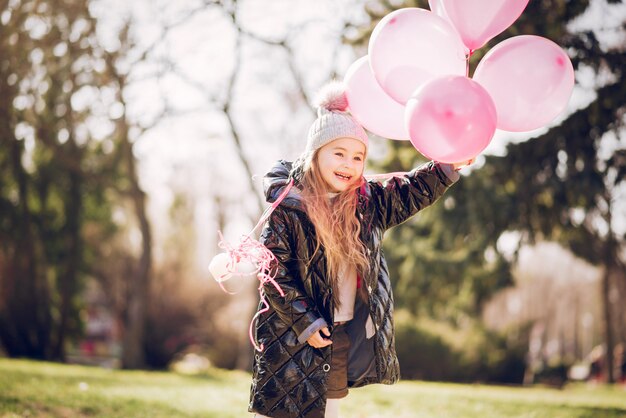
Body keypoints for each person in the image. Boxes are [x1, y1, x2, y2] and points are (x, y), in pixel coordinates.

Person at [248, 81, 468, 418]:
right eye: (339, 153)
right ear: (315, 154)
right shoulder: (289, 206)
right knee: (280, 410)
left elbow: (411, 190)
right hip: (290, 332)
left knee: (330, 411)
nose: (349, 164)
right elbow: (273, 272)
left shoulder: (366, 203)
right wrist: (305, 321)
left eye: (358, 157)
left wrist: (448, 165)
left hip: (337, 332)